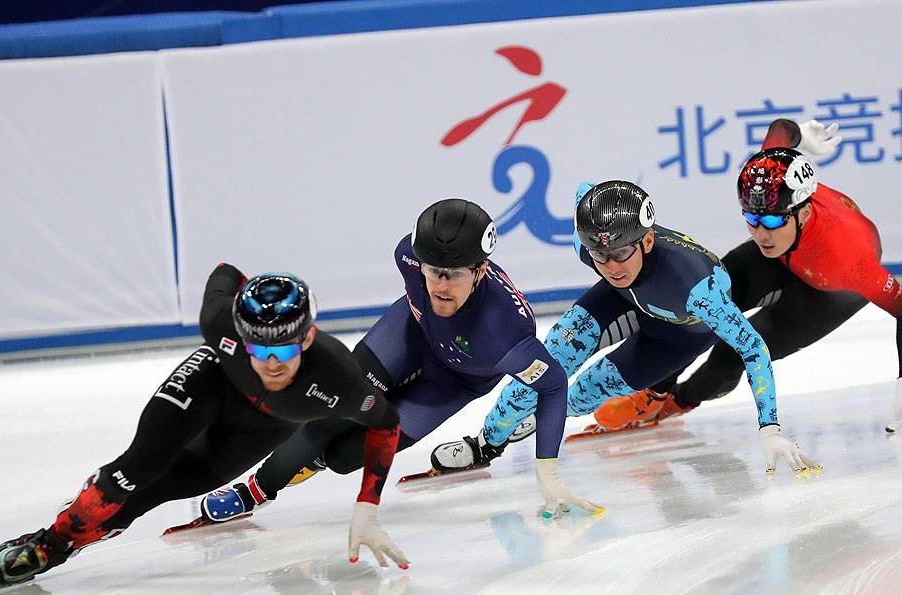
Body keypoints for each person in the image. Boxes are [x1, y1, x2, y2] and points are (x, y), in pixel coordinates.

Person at [0, 266, 408, 588]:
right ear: (238, 331)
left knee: (166, 487)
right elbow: (225, 272)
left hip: (260, 430)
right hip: (213, 383)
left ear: (307, 337)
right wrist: (246, 293)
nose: (271, 363)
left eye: (285, 350)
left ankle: (63, 542)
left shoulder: (339, 378)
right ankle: (50, 543)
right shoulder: (219, 323)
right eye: (258, 347)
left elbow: (386, 424)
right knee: (138, 466)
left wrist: (367, 506)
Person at [192, 198, 600, 522]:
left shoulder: (505, 332)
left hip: (453, 382)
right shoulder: (407, 255)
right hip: (407, 336)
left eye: (454, 274)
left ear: (480, 271)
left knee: (345, 456)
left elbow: (553, 384)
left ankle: (313, 458)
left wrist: (548, 471)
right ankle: (254, 492)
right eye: (433, 271)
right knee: (330, 415)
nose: (440, 285)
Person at [432, 180, 818, 477]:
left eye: (620, 253)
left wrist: (770, 429)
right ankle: (484, 444)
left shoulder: (698, 289)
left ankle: (552, 414)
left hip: (677, 337)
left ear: (647, 240)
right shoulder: (593, 247)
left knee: (585, 392)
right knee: (545, 365)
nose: (612, 266)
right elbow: (588, 193)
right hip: (621, 301)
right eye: (600, 255)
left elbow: (752, 349)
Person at [593, 119, 902, 436]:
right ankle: (654, 394)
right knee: (699, 301)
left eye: (773, 220)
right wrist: (799, 139)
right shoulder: (769, 176)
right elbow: (782, 128)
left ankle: (678, 402)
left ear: (804, 211)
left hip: (828, 290)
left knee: (732, 353)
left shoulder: (849, 257)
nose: (761, 233)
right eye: (751, 218)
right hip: (785, 257)